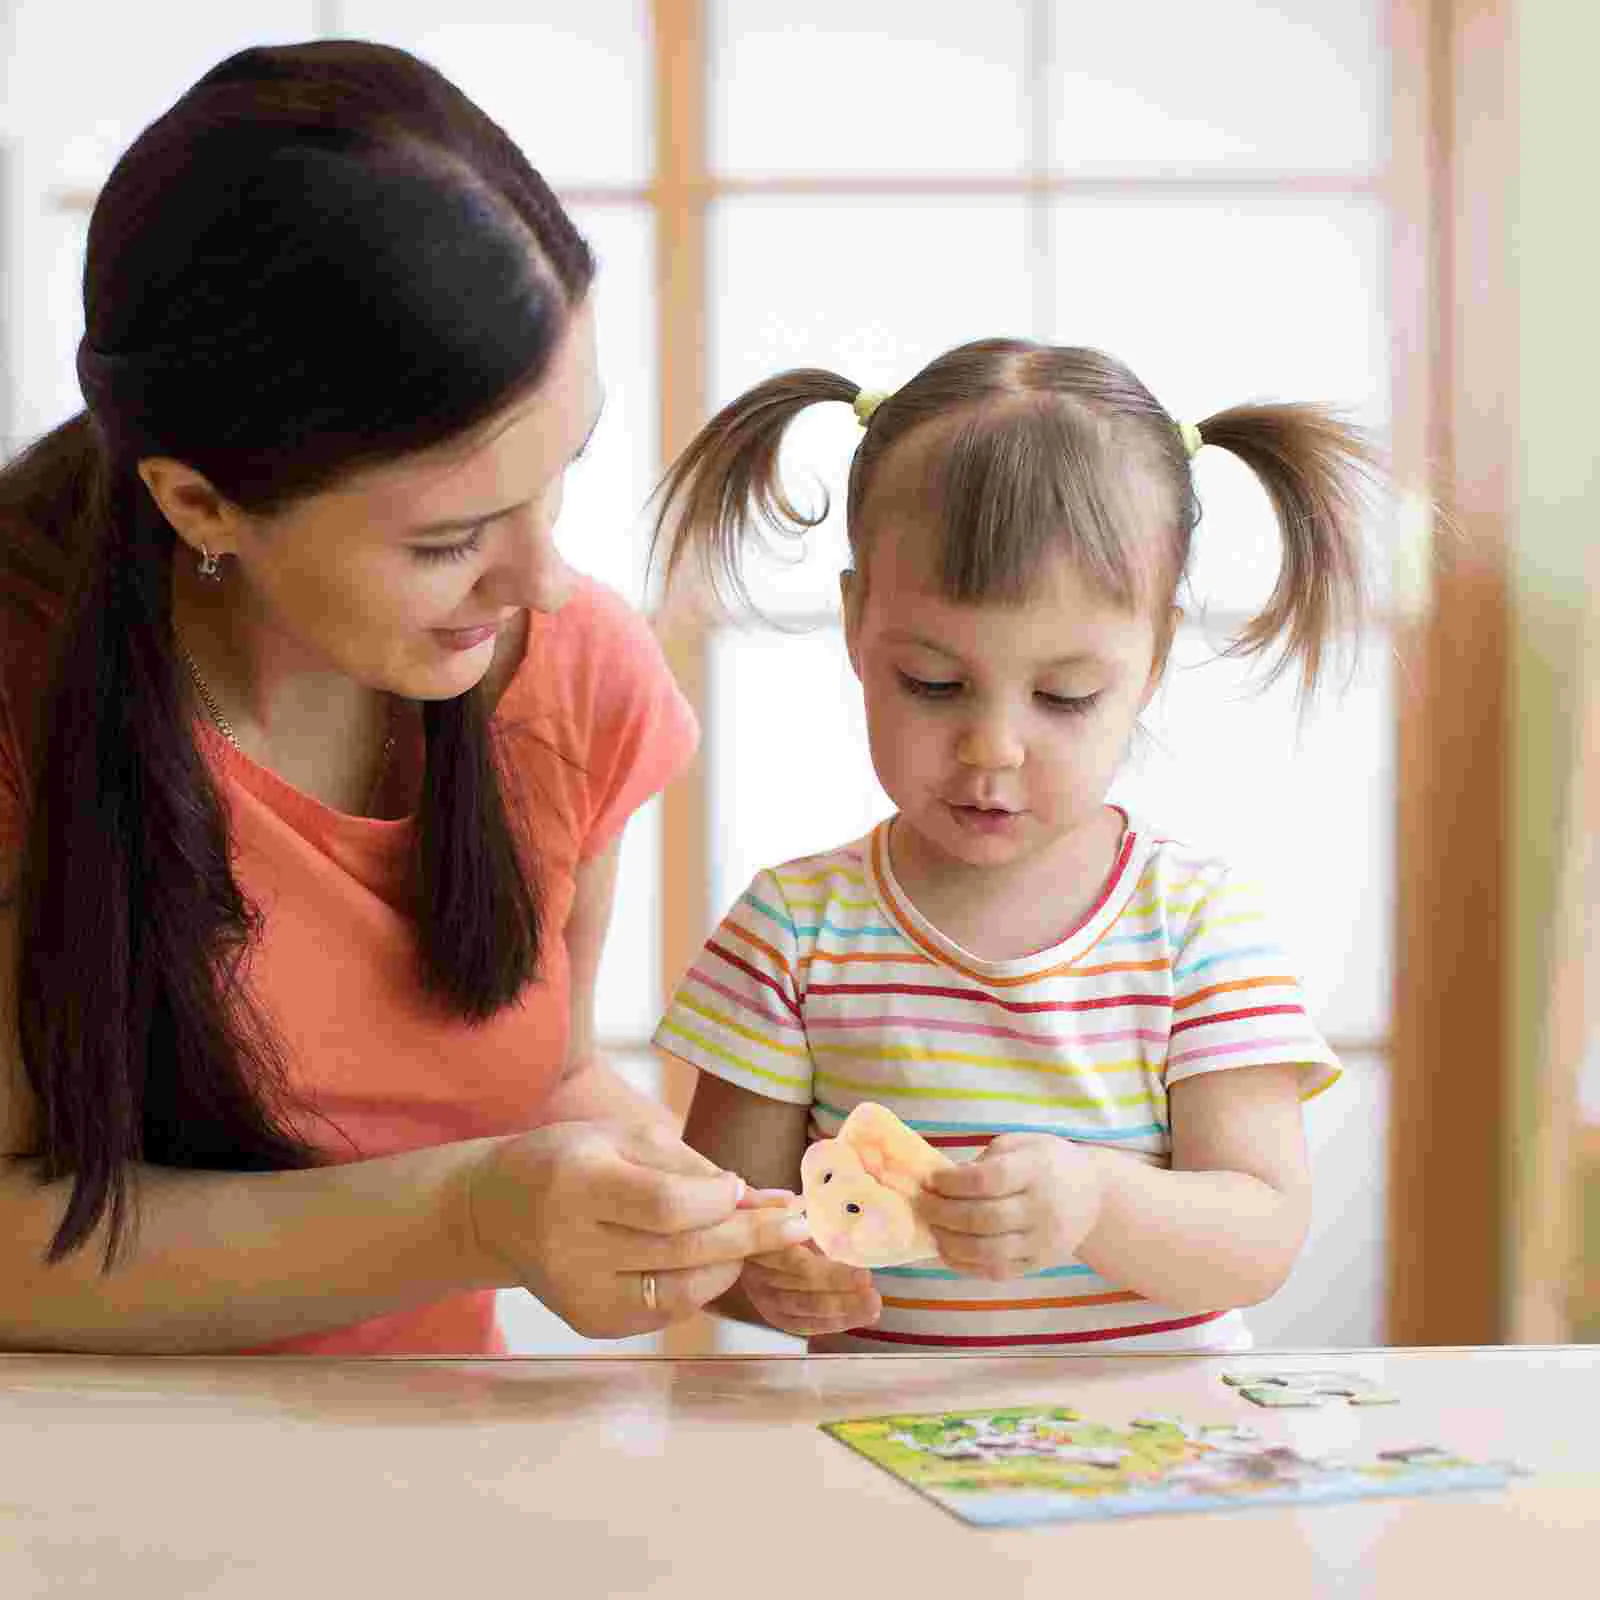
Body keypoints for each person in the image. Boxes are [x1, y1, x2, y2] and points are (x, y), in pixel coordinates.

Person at [0, 40, 808, 1357]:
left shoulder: (575, 675)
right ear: (198, 501)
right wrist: (476, 1216)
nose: (545, 579)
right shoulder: (25, 695)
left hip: (444, 1478)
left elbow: (545, 1085)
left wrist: (723, 1234)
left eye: (561, 474)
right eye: (448, 539)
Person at [651, 338, 1378, 1352]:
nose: (991, 747)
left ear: (1155, 657)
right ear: (859, 624)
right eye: (933, 684)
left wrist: (1097, 1202)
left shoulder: (1196, 926)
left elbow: (1261, 1231)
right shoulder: (792, 932)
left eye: (1064, 696)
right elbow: (727, 1221)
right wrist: (764, 1275)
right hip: (867, 1461)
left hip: (1159, 1461)